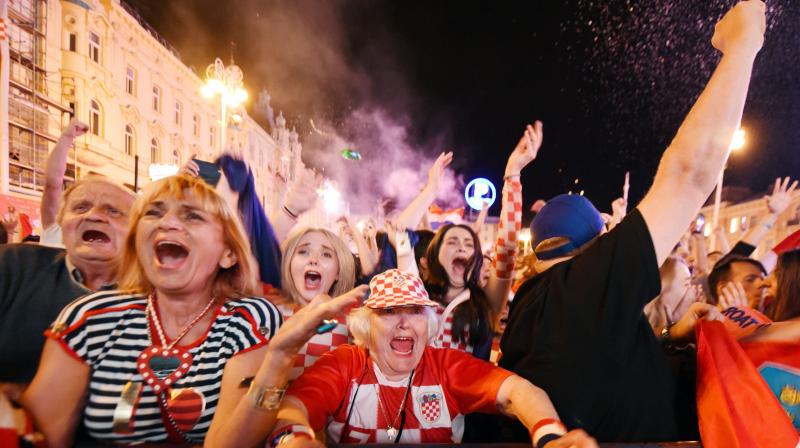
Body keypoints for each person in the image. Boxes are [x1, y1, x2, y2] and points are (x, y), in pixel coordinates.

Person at [499, 1, 763, 442]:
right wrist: (743, 45)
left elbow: (594, 371)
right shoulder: (583, 284)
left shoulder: (536, 308)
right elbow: (690, 174)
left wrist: (664, 335)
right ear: (593, 247)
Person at [12, 174, 362, 447]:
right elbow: (41, 435)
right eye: (154, 212)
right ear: (138, 239)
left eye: (191, 216)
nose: (167, 223)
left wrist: (278, 357)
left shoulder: (248, 320)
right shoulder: (87, 318)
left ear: (228, 253)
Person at [252, 269, 597, 447]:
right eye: (389, 312)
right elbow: (291, 409)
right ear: (366, 327)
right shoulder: (344, 363)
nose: (404, 321)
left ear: (428, 323)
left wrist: (551, 437)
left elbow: (520, 392)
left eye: (415, 311)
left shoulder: (445, 365)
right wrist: (295, 440)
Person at [0, 175, 134, 385]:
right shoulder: (12, 264)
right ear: (61, 226)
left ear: (138, 232)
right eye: (80, 207)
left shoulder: (153, 300)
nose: (93, 216)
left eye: (113, 210)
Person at [274, 227, 358, 380]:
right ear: (289, 264)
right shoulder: (269, 314)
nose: (313, 259)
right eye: (303, 252)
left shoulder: (353, 323)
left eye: (326, 254)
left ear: (338, 272)